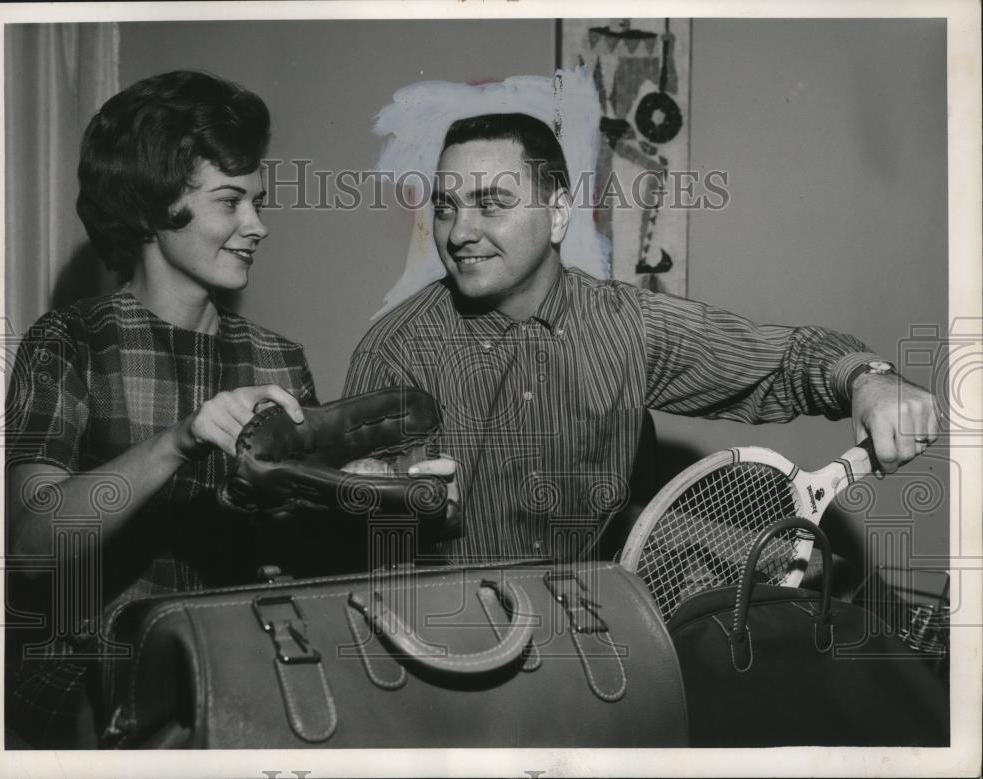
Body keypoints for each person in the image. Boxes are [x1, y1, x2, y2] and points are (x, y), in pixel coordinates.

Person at [344, 112, 939, 565]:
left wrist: (871, 380)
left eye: (491, 204)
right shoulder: (395, 350)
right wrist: (379, 503)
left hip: (596, 644)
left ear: (557, 214)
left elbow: (782, 358)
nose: (459, 232)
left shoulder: (627, 325)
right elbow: (356, 542)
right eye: (446, 207)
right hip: (443, 645)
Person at [4, 70, 316, 748]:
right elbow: (30, 546)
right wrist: (178, 440)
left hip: (243, 696)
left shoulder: (279, 361)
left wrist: (380, 490)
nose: (256, 226)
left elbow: (308, 555)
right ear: (151, 206)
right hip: (92, 710)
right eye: (229, 201)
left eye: (257, 201)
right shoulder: (69, 341)